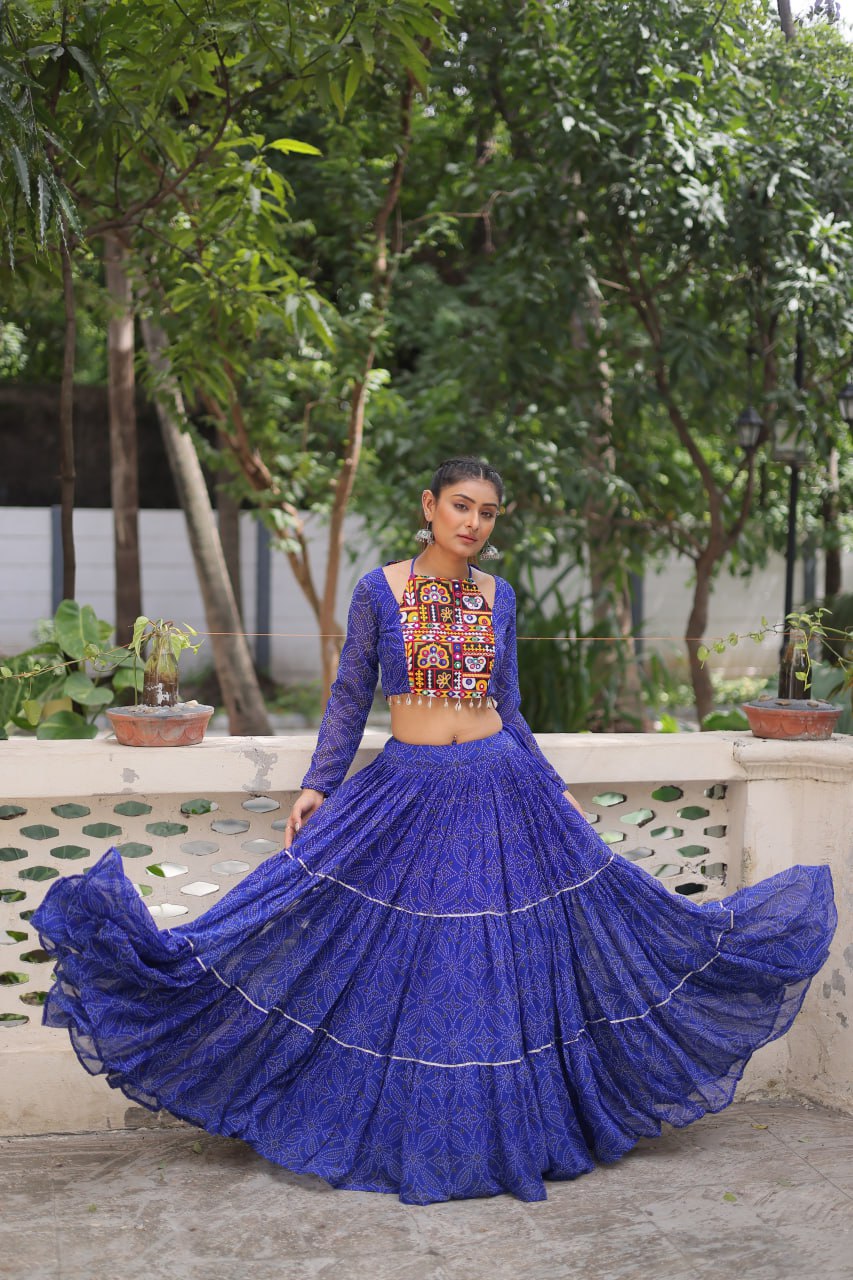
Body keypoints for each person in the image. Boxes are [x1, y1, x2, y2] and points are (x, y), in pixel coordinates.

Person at [33, 455, 837, 1207]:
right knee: (397, 961)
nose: (474, 523)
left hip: (499, 787)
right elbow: (351, 697)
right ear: (429, 507)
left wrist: (548, 791)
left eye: (487, 512)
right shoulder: (378, 591)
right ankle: (414, 1132)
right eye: (461, 506)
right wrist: (317, 785)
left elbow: (511, 705)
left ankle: (493, 1139)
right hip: (408, 791)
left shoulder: (500, 596)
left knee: (491, 966)